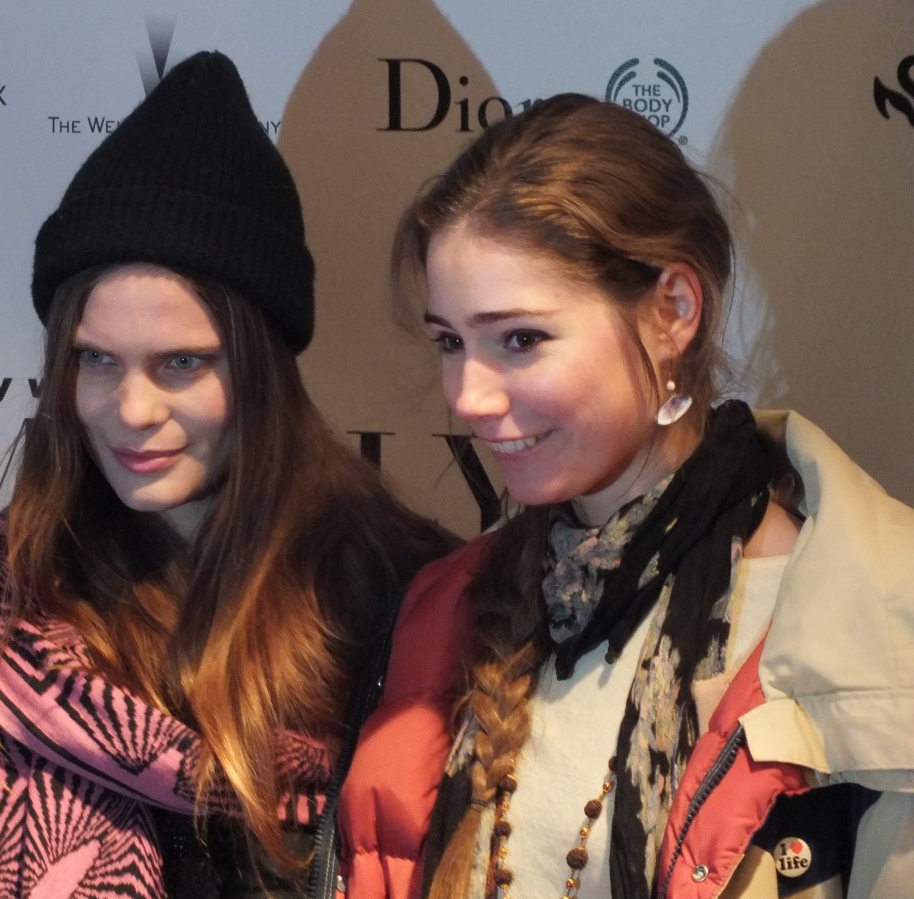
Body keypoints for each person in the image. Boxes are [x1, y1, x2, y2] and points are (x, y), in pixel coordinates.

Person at [0, 51, 453, 899]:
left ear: (263, 370)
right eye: (97, 359)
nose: (131, 409)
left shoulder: (405, 601)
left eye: (181, 362)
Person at [335, 93, 914, 899]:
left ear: (673, 311)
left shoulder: (864, 625)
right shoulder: (445, 608)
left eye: (520, 339)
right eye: (450, 341)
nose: (466, 395)